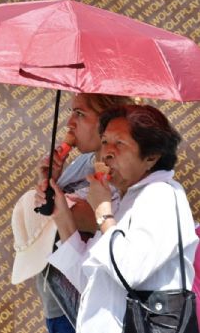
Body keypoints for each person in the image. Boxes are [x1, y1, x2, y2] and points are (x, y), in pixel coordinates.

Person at [48, 104, 198, 332]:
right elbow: (92, 283)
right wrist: (61, 215)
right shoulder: (125, 199)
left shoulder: (162, 195)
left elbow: (130, 271)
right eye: (105, 141)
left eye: (120, 143)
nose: (107, 152)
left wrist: (103, 213)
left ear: (151, 157)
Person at [11, 93, 132, 333]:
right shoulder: (83, 162)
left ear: (108, 121)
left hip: (91, 309)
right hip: (57, 302)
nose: (70, 124)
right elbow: (54, 213)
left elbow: (92, 220)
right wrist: (50, 180)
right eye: (70, 113)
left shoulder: (121, 172)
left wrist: (56, 205)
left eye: (80, 114)